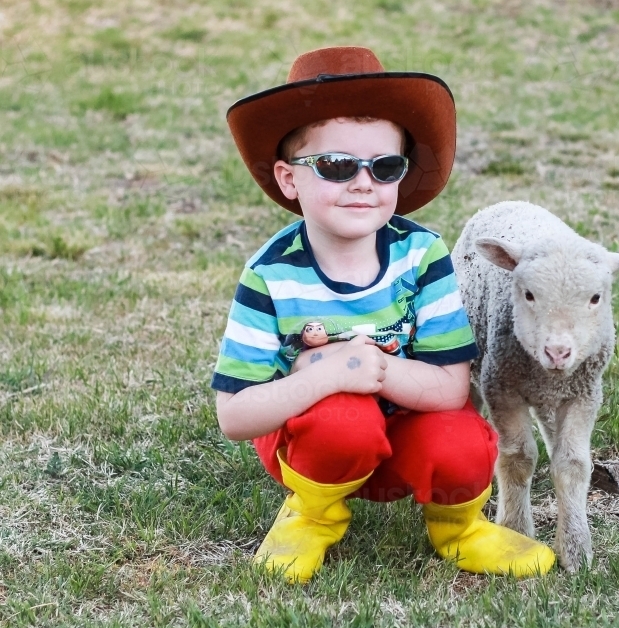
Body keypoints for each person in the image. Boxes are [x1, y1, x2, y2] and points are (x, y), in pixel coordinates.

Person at [212, 46, 556, 583]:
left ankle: (459, 527)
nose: (363, 182)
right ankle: (311, 515)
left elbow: (449, 389)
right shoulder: (271, 275)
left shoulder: (423, 256)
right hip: (317, 442)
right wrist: (329, 377)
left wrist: (370, 366)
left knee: (463, 439)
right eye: (335, 165)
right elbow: (235, 416)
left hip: (406, 431)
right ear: (288, 179)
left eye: (385, 166)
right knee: (341, 421)